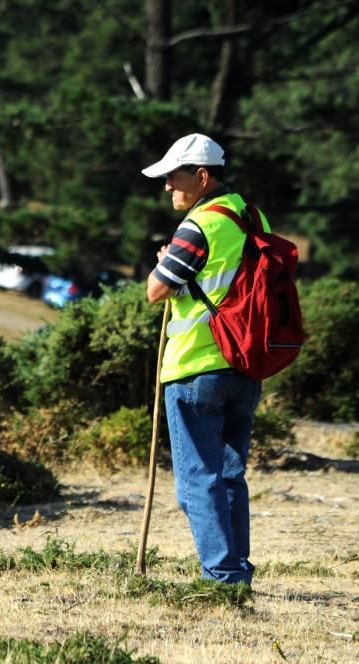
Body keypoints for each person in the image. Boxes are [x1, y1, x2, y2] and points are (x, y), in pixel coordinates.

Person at [143, 133, 268, 586]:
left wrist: (164, 265)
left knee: (198, 481)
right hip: (246, 364)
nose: (167, 187)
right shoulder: (251, 216)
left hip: (197, 367)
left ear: (200, 177)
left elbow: (155, 290)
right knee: (230, 476)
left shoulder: (199, 225)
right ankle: (237, 573)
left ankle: (223, 578)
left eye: (173, 177)